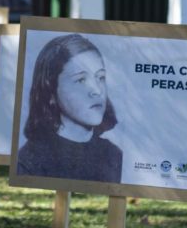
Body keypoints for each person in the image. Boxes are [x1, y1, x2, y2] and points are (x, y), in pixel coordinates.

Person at [17, 34, 121, 182]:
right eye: (80, 80)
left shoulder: (114, 155)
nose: (97, 90)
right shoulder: (30, 162)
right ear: (50, 90)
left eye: (100, 77)